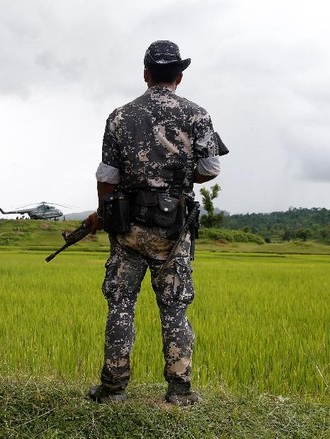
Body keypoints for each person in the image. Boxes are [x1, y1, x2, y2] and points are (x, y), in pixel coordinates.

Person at [84, 40, 227, 405]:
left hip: (128, 226)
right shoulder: (197, 115)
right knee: (174, 308)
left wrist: (105, 213)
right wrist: (177, 179)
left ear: (146, 74)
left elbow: (107, 176)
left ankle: (113, 390)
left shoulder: (119, 116)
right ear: (179, 77)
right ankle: (179, 391)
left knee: (120, 306)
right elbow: (210, 169)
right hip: (173, 229)